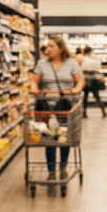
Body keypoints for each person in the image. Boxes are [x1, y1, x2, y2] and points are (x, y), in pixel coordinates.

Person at [30, 36, 84, 180]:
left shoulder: (71, 63)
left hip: (65, 104)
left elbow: (80, 81)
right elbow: (34, 81)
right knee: (51, 136)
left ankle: (63, 166)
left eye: (51, 47)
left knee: (64, 136)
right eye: (47, 47)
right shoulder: (42, 63)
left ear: (60, 49)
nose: (48, 50)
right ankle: (52, 170)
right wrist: (34, 89)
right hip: (47, 105)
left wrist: (76, 89)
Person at [80, 46, 107, 118]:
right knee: (97, 96)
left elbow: (82, 68)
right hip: (94, 79)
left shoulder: (84, 59)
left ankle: (84, 112)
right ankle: (103, 111)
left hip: (85, 79)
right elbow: (99, 67)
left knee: (85, 97)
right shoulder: (96, 58)